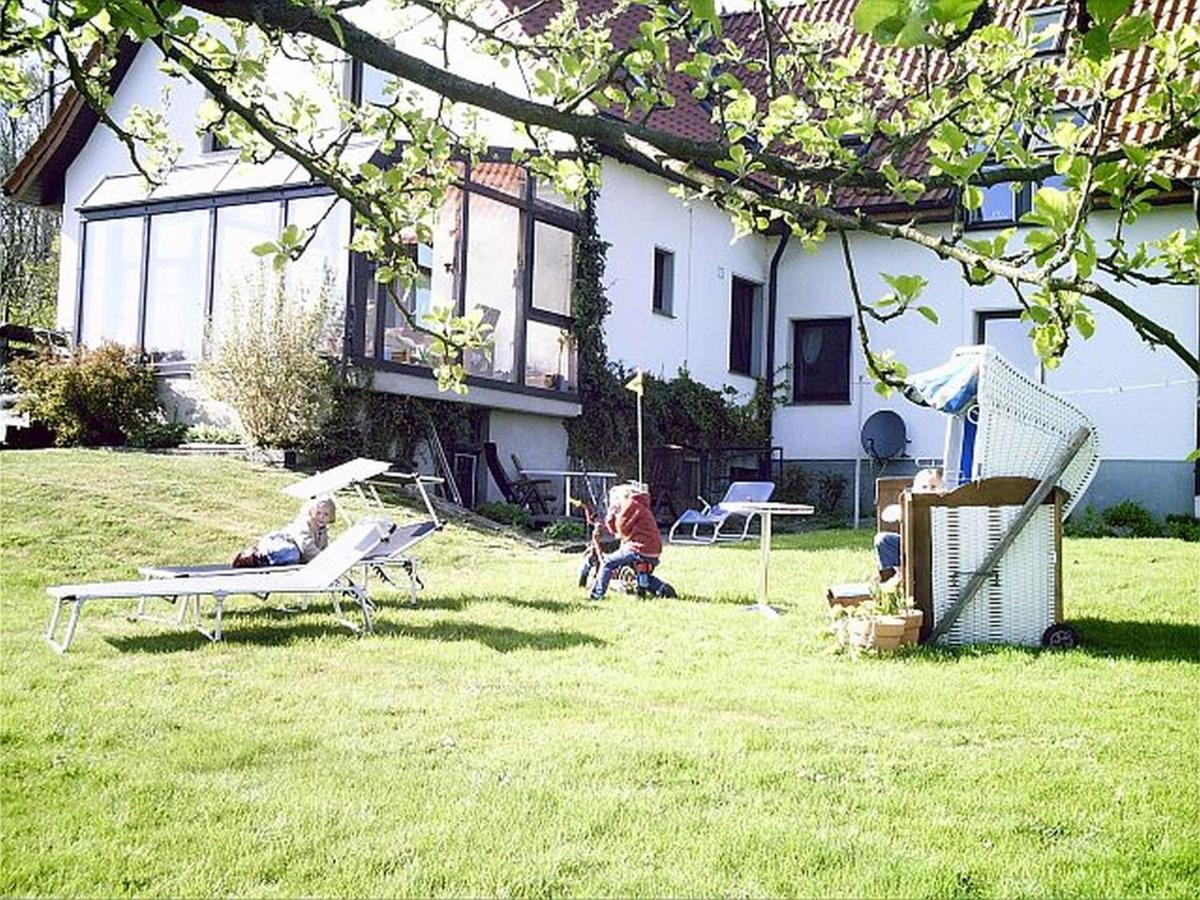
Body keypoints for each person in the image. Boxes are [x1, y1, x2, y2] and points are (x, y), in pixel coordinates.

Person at [587, 483, 676, 600]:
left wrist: (610, 514)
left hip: (639, 548)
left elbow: (619, 529)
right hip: (653, 549)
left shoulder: (629, 505)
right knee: (637, 574)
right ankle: (661, 588)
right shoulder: (639, 505)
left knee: (607, 562)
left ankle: (597, 595)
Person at [873, 468, 943, 580]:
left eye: (933, 487)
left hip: (936, 548)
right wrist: (901, 511)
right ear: (915, 489)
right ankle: (894, 574)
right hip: (911, 545)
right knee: (883, 539)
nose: (929, 490)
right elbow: (886, 515)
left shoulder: (943, 506)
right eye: (924, 487)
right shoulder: (911, 504)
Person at [233, 495, 337, 568]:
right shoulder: (305, 524)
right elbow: (306, 547)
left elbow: (323, 549)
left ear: (331, 517)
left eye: (326, 514)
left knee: (294, 557)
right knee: (292, 553)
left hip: (290, 552)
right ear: (312, 512)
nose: (321, 517)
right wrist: (323, 561)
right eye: (318, 513)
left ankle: (265, 560)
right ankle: (256, 557)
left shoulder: (322, 531)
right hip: (277, 543)